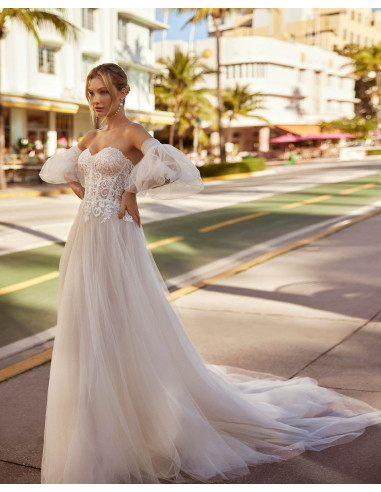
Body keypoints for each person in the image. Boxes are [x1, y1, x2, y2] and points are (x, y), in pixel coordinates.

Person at [39, 63, 381, 484]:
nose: (96, 100)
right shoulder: (89, 137)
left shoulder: (132, 132)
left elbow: (170, 166)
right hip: (85, 237)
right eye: (91, 92)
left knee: (125, 322)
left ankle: (139, 417)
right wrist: (91, 196)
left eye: (104, 92)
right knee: (86, 324)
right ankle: (93, 418)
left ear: (123, 93)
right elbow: (68, 172)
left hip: (116, 238)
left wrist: (128, 191)